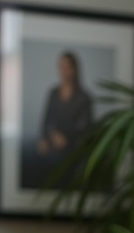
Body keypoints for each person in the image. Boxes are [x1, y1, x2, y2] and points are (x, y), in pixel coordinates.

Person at [30, 51, 92, 189]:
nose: (64, 71)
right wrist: (46, 137)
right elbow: (46, 120)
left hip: (74, 146)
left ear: (74, 69)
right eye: (61, 67)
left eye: (67, 67)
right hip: (54, 143)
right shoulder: (53, 92)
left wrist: (66, 138)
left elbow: (87, 127)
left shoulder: (84, 97)